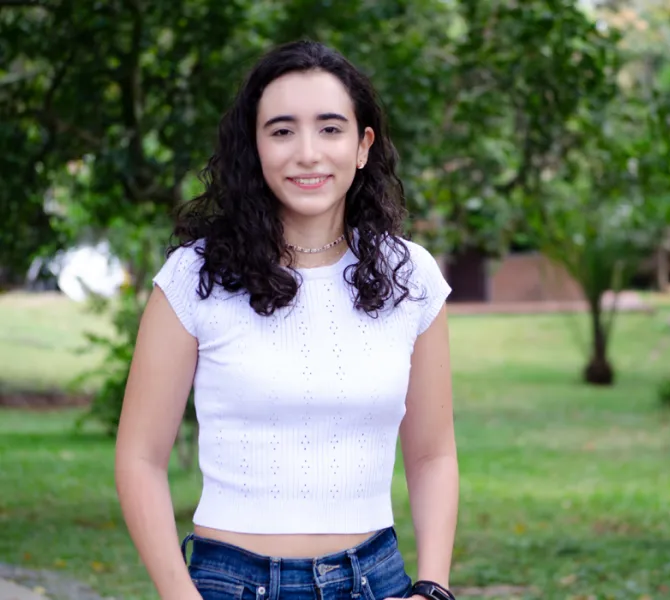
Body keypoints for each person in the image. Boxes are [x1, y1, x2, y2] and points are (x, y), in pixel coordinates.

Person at [114, 39, 459, 600]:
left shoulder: (409, 276)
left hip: (377, 582)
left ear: (362, 145)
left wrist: (432, 589)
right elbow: (139, 458)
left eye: (330, 128)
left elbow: (433, 455)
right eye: (281, 131)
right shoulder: (194, 276)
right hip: (231, 584)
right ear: (254, 147)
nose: (307, 153)